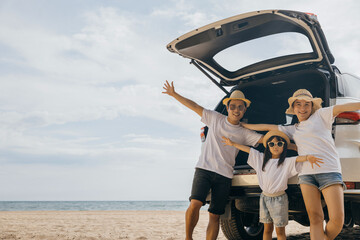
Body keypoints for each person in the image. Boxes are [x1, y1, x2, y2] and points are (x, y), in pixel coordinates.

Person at [241, 89, 360, 240]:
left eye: (306, 104)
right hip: (306, 176)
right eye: (298, 104)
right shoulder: (292, 129)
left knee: (337, 220)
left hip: (329, 171)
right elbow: (267, 127)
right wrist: (243, 126)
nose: (302, 108)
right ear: (293, 107)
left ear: (312, 106)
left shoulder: (321, 115)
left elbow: (343, 108)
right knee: (315, 219)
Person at [162, 80, 263, 240]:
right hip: (204, 170)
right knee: (195, 204)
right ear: (228, 107)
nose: (236, 110)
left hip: (224, 176)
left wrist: (290, 135)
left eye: (240, 107)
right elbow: (194, 106)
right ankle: (188, 238)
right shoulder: (215, 118)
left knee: (215, 215)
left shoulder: (244, 133)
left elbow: (265, 141)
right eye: (233, 106)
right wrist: (174, 94)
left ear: (244, 109)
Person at [222, 130, 323, 240]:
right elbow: (248, 149)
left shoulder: (286, 162)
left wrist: (308, 157)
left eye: (280, 144)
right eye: (272, 144)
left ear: (284, 147)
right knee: (267, 229)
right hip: (264, 198)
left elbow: (299, 158)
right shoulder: (260, 159)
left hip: (279, 200)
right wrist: (233, 144)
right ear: (268, 146)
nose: (276, 146)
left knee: (280, 231)